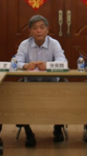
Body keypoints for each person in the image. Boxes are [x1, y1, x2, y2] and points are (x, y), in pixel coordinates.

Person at [13, 14, 68, 146]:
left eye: (42, 27)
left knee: (65, 87)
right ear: (30, 31)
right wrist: (26, 66)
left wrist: (48, 66)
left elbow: (63, 63)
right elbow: (15, 63)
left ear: (47, 30)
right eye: (35, 28)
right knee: (17, 91)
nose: (39, 31)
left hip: (52, 86)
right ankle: (28, 132)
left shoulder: (54, 43)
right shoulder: (24, 44)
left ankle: (58, 128)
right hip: (29, 86)